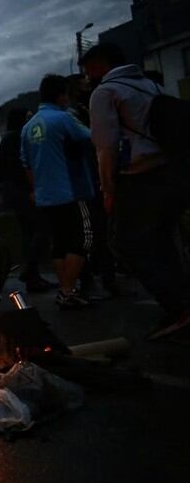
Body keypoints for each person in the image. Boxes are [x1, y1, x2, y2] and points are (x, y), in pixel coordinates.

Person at [81, 43, 190, 337]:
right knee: (163, 239)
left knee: (125, 243)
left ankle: (178, 308)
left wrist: (107, 188)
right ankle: (181, 301)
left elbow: (105, 146)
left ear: (100, 64)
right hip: (175, 171)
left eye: (88, 68)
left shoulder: (105, 93)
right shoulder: (153, 86)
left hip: (141, 177)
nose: (86, 75)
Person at [20, 75, 97, 309]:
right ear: (61, 95)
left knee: (60, 243)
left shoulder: (28, 126)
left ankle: (66, 292)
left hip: (45, 195)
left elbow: (26, 163)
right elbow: (93, 137)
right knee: (82, 240)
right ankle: (66, 290)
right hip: (71, 191)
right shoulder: (64, 118)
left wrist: (35, 189)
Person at [0, 108, 57, 292]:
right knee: (41, 229)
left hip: (13, 191)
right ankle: (30, 270)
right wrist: (31, 188)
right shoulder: (17, 137)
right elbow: (20, 166)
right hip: (22, 190)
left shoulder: (7, 138)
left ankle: (33, 277)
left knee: (28, 233)